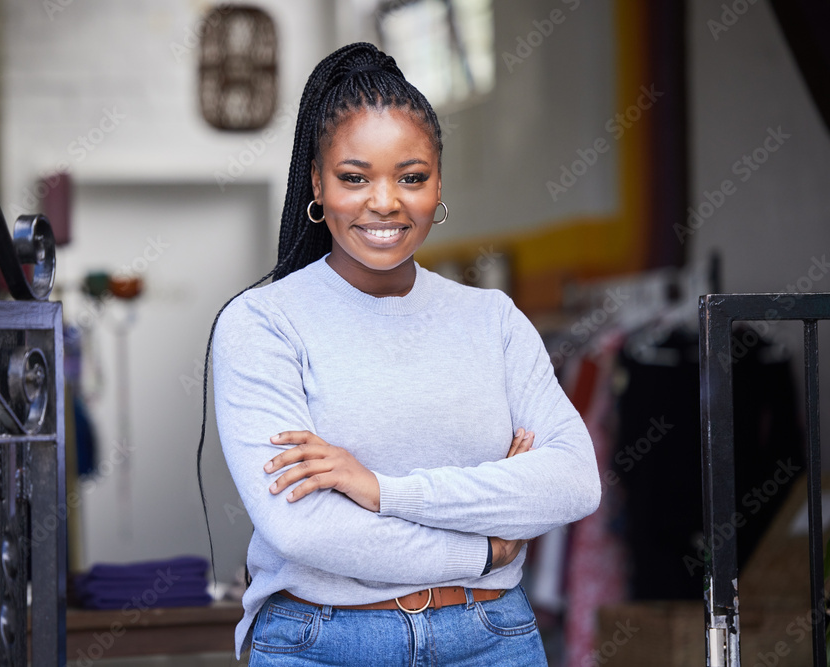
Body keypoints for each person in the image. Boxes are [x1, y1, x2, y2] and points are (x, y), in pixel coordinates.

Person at [198, 42, 600, 665]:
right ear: (317, 182)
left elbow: (573, 483)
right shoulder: (264, 324)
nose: (384, 202)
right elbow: (304, 528)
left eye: (410, 177)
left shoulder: (490, 318)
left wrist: (379, 490)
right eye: (353, 177)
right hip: (322, 643)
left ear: (438, 183)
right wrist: (486, 545)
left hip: (491, 639)